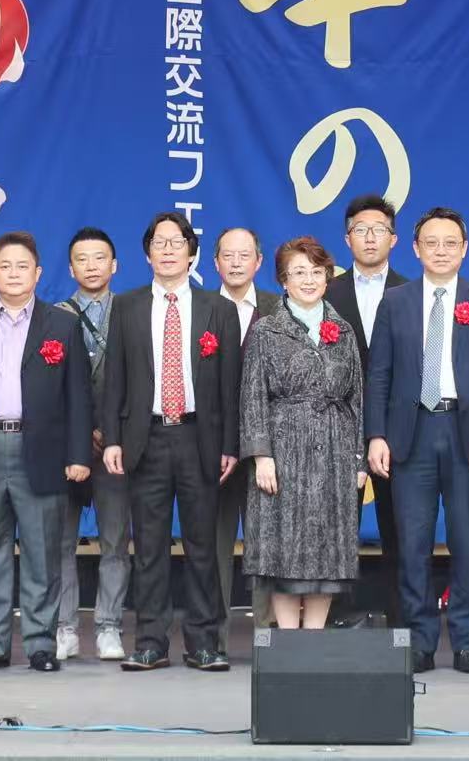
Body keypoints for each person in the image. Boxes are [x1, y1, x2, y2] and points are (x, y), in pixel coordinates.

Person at [365, 206, 469, 674]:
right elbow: (378, 375)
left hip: (465, 433)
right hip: (411, 434)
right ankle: (420, 641)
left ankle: (467, 640)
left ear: (465, 250)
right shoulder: (396, 301)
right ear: (415, 248)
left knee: (468, 542)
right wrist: (376, 434)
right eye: (431, 242)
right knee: (413, 544)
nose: (441, 251)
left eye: (450, 243)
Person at [0, 232, 92, 672]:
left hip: (40, 450)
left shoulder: (61, 325)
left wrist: (78, 454)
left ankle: (41, 643)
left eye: (22, 266)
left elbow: (78, 397)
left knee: (42, 553)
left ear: (37, 273)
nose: (13, 274)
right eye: (4, 266)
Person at [101, 212, 243, 672]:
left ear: (191, 252)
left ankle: (203, 642)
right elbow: (115, 378)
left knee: (203, 546)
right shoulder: (127, 306)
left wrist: (230, 445)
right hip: (147, 437)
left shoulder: (217, 309)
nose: (167, 250)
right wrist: (113, 439)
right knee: (149, 546)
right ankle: (150, 642)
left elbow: (230, 385)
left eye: (176, 242)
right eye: (159, 243)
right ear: (147, 254)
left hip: (201, 437)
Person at [241, 237, 366, 627]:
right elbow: (252, 395)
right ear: (283, 280)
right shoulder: (266, 331)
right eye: (299, 272)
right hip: (284, 451)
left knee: (326, 555)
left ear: (327, 277)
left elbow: (357, 397)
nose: (309, 280)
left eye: (316, 272)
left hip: (335, 450)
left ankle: (312, 641)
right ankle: (287, 642)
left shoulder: (342, 329)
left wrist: (358, 459)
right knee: (283, 550)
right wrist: (262, 455)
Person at [323, 192, 407, 627]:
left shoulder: (412, 292)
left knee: (400, 527)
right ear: (347, 239)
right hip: (339, 427)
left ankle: (401, 619)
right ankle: (337, 614)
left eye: (379, 230)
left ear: (394, 239)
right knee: (337, 525)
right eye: (361, 230)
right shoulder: (326, 293)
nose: (370, 237)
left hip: (398, 428)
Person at [54, 227, 131, 662]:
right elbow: (46, 388)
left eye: (100, 258)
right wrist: (79, 433)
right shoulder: (55, 316)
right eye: (82, 259)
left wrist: (111, 432)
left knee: (115, 541)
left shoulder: (132, 312)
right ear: (71, 268)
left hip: (116, 448)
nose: (91, 266)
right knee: (60, 543)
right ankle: (65, 627)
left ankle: (109, 626)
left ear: (114, 265)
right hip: (68, 447)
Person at [212, 226, 281, 624]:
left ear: (258, 262)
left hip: (267, 448)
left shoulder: (278, 307)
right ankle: (213, 638)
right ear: (215, 262)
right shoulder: (201, 307)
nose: (236, 263)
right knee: (213, 544)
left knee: (265, 542)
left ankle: (266, 634)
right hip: (213, 447)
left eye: (244, 256)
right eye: (228, 255)